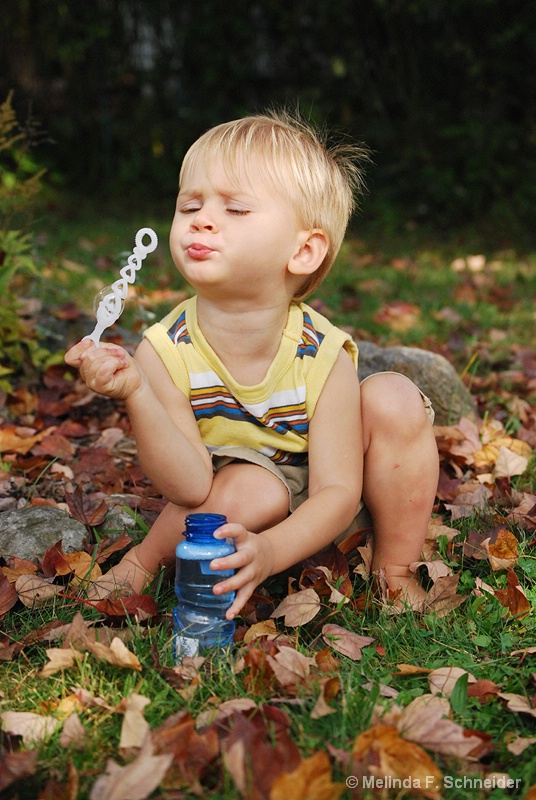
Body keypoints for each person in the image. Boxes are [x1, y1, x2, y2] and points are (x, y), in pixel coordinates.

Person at [65, 109, 439, 618]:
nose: (201, 218)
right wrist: (138, 393)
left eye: (236, 209)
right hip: (229, 503)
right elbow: (190, 487)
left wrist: (273, 551)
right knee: (254, 484)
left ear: (303, 251)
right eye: (189, 204)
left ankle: (393, 569)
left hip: (336, 505)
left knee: (393, 398)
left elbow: (336, 489)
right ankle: (144, 562)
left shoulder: (321, 352)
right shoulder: (164, 350)